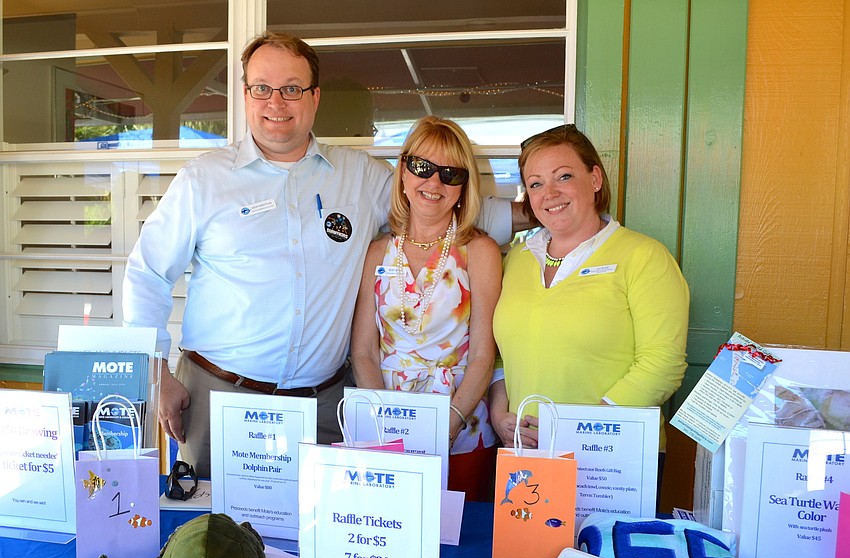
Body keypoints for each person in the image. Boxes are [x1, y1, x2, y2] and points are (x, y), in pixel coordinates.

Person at [122, 32, 515, 478]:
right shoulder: (204, 180)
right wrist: (156, 373)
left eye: (292, 88)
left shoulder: (359, 177)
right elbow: (147, 273)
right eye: (262, 88)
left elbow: (437, 201)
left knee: (324, 536)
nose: (277, 101)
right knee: (210, 536)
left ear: (314, 97)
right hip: (219, 399)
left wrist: (543, 210)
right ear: (246, 94)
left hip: (324, 409)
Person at [489, 124, 689, 477]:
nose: (549, 193)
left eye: (563, 176)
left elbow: (663, 364)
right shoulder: (518, 258)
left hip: (612, 461)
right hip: (530, 455)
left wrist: (583, 430)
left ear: (595, 178)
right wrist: (500, 414)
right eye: (535, 183)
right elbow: (504, 354)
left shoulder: (643, 256)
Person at [350, 116, 501, 501]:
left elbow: (485, 352)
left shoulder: (479, 252)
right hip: (386, 424)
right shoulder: (377, 252)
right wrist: (382, 422)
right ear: (402, 172)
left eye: (450, 174)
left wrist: (449, 424)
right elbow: (364, 350)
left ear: (464, 187)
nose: (433, 183)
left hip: (461, 427)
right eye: (422, 167)